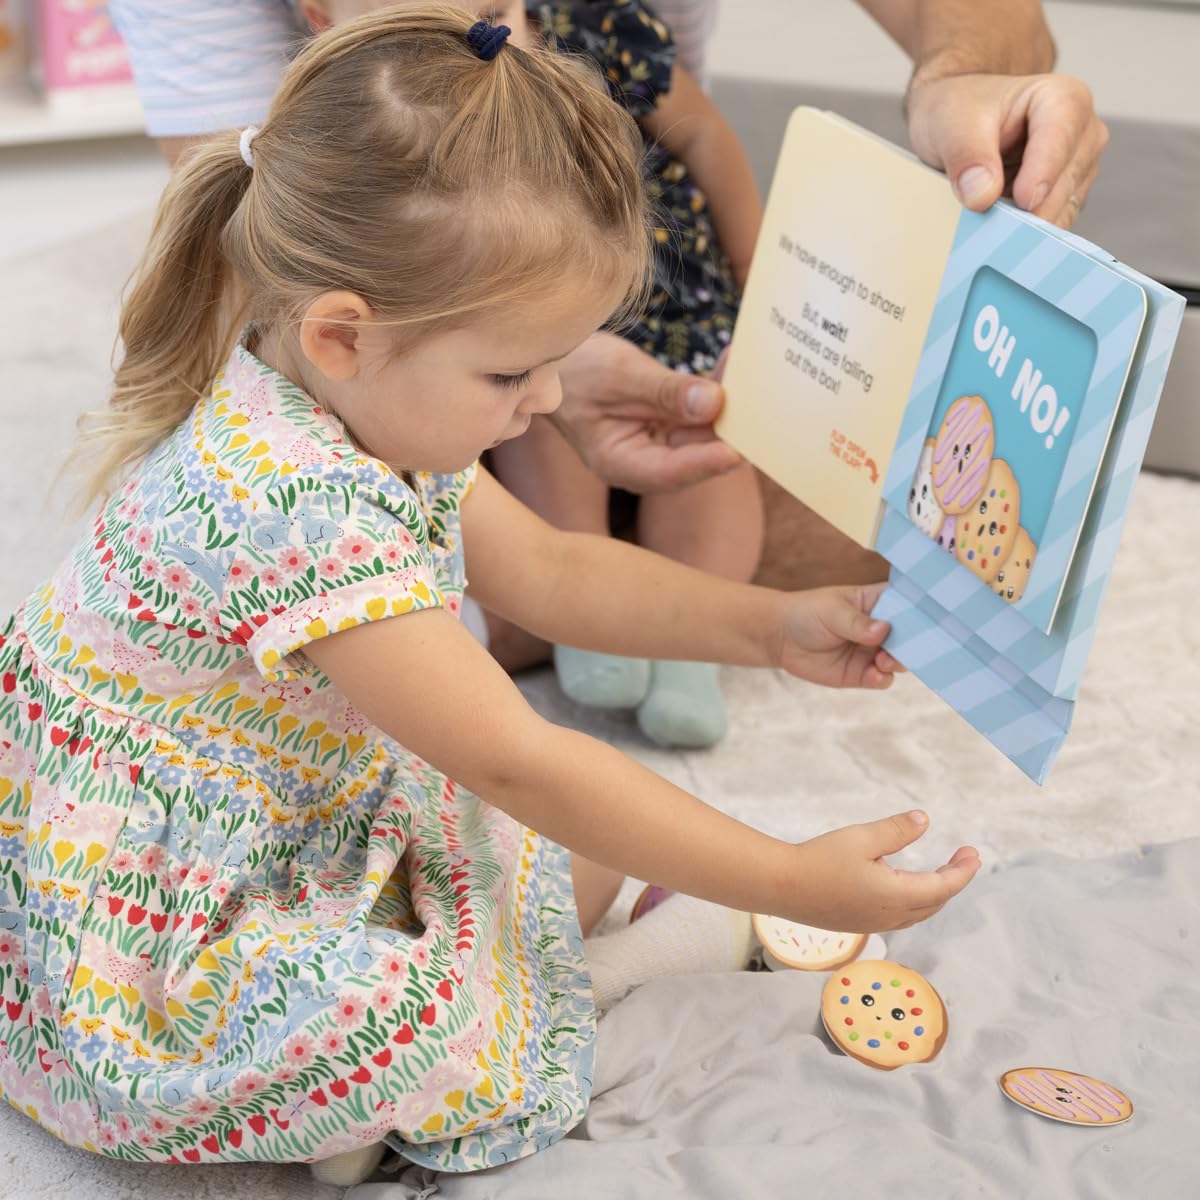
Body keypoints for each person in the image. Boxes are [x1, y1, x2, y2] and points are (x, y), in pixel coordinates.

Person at [0, 8, 981, 1185]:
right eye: (515, 370)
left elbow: (555, 572)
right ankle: (569, 998)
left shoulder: (358, 399)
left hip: (279, 804)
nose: (547, 401)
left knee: (579, 847)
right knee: (423, 974)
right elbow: (522, 761)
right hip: (145, 908)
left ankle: (485, 1019)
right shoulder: (290, 499)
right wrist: (784, 875)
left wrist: (770, 627)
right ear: (344, 335)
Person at [108, 0, 1110, 494]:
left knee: (858, 503)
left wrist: (959, 78)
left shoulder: (608, 42)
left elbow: (993, 24)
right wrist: (532, 364)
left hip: (643, 313)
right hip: (407, 326)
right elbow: (257, 236)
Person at [459, 2, 762, 750]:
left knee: (713, 442)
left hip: (676, 298)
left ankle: (692, 643)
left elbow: (703, 132)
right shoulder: (383, 100)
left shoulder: (597, 25)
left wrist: (759, 271)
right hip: (541, 325)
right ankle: (588, 616)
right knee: (538, 423)